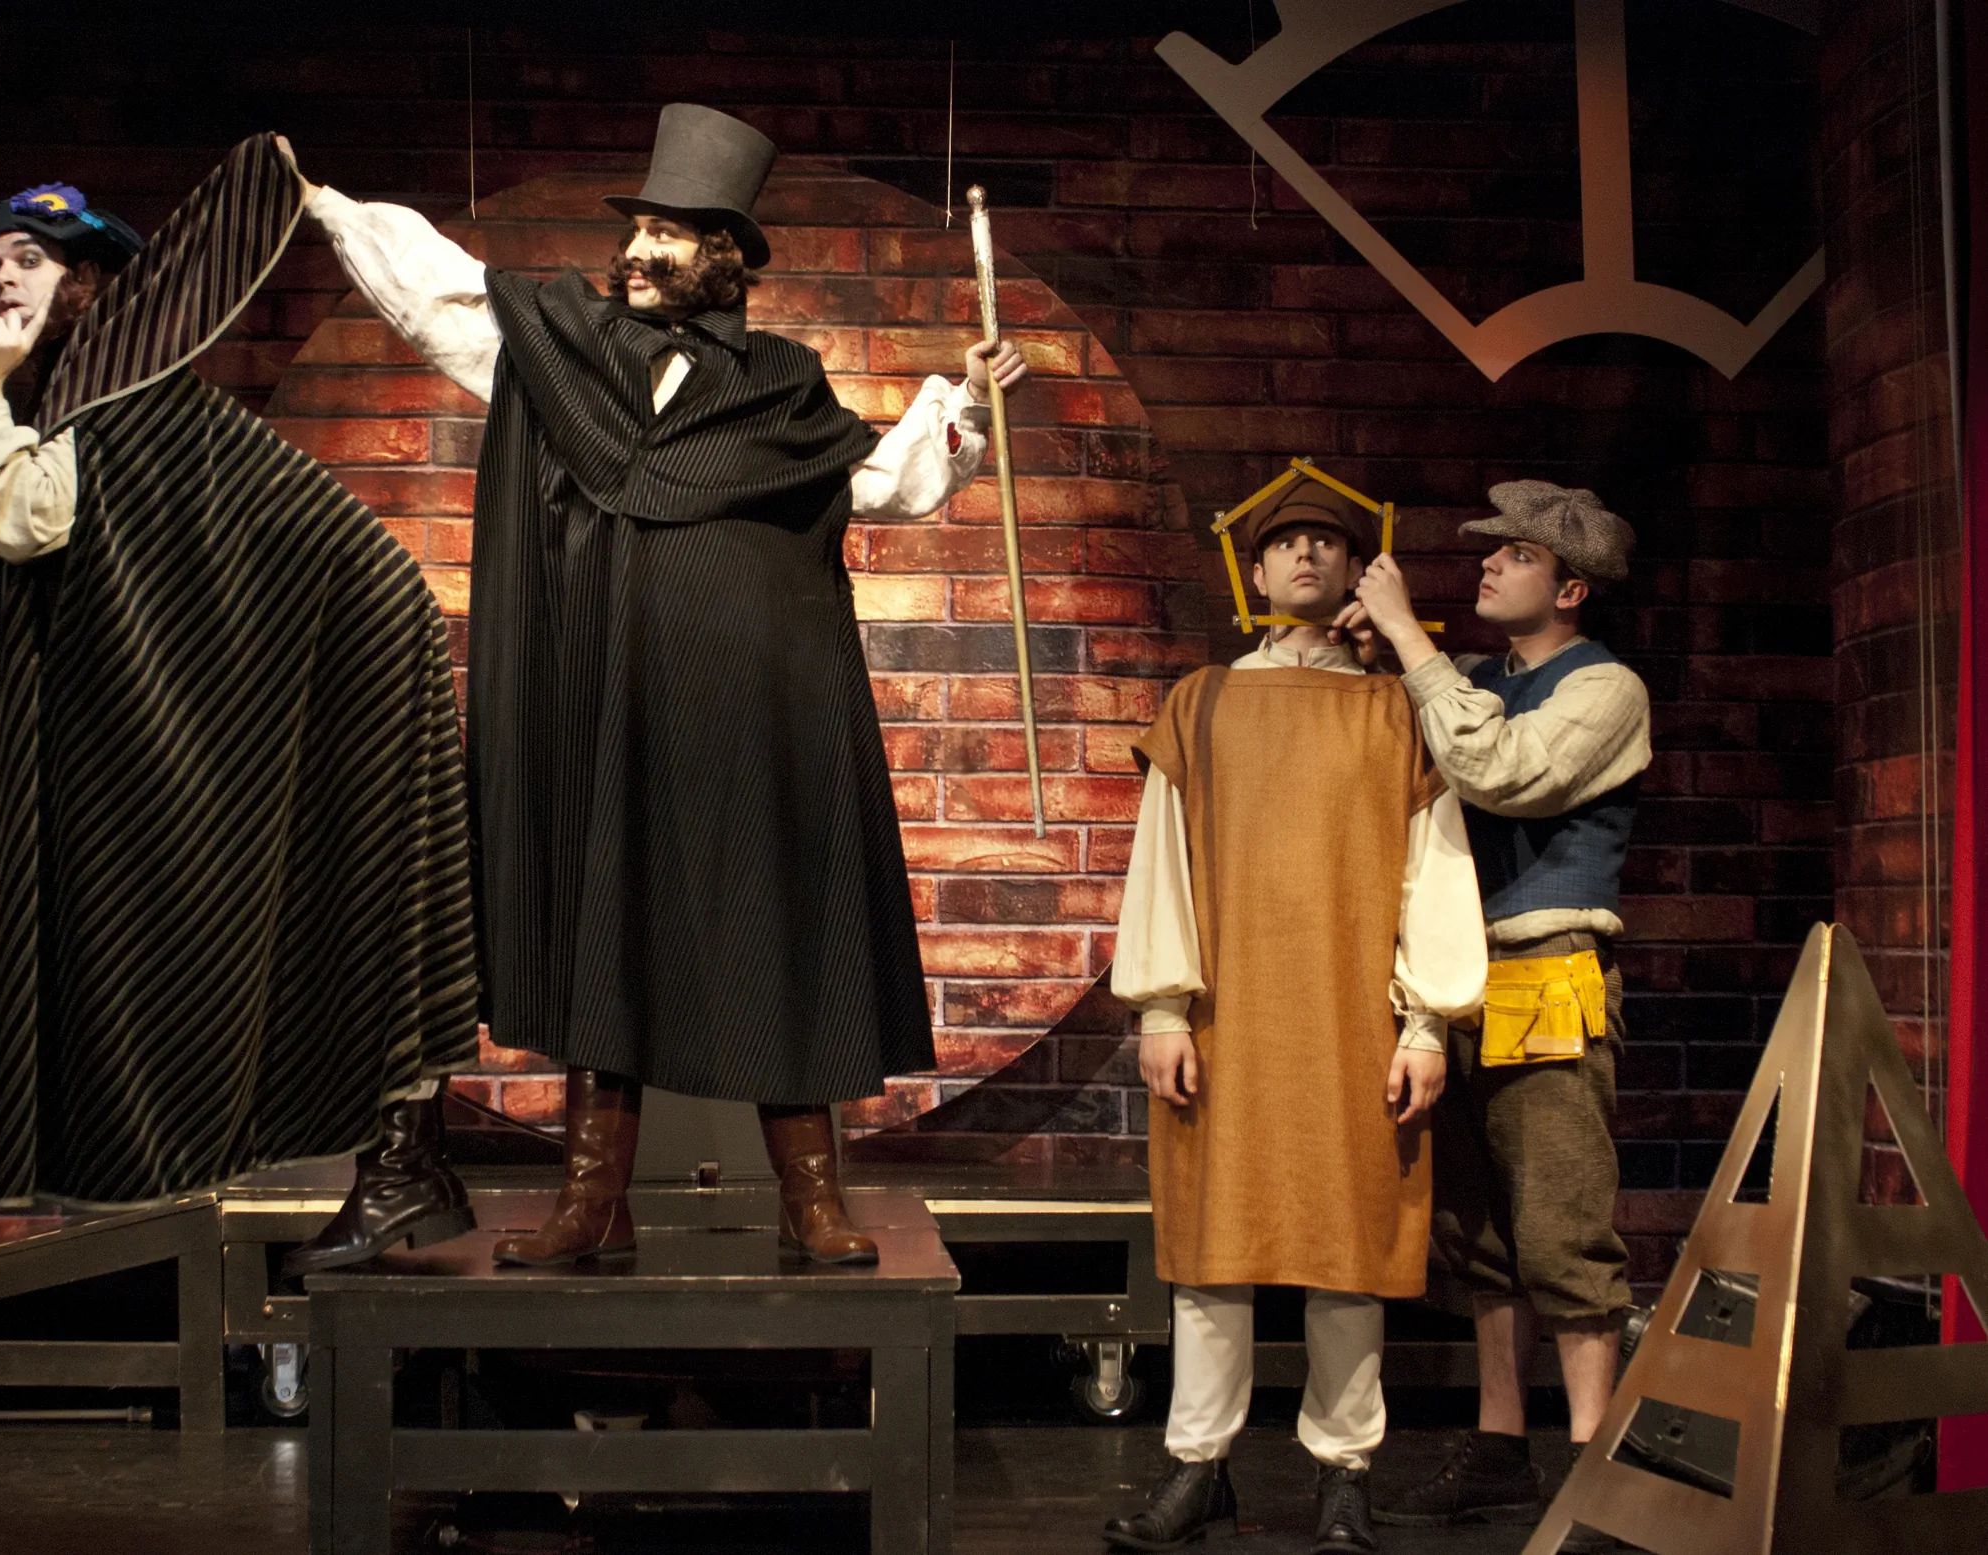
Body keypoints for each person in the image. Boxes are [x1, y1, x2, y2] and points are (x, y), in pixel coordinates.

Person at [292, 103, 1029, 1267]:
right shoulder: (566, 351)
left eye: (666, 236)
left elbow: (882, 483)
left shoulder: (781, 383)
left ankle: (810, 1199)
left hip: (752, 708)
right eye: (635, 231)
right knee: (608, 924)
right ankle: (592, 1202)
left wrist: (965, 403)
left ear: (721, 256)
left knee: (777, 920)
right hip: (608, 695)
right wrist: (323, 205)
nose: (636, 252)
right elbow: (444, 296)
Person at [0, 143, 486, 1277]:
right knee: (281, 914)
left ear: (90, 281)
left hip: (351, 663)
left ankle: (402, 1165)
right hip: (281, 679)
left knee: (344, 901)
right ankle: (400, 1168)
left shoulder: (112, 394)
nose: (4, 279)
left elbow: (23, 524)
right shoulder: (81, 404)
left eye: (30, 258)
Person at [1105, 475, 1487, 1554]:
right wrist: (1162, 1008)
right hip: (1226, 1016)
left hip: (1350, 1020)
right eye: (1287, 542)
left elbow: (1431, 870)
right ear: (1257, 569)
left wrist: (1425, 1024)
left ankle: (1343, 1470)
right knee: (1211, 1247)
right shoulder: (1203, 702)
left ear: (1357, 568)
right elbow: (1161, 862)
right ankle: (1197, 1465)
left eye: (1327, 540)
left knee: (1347, 1246)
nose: (1306, 554)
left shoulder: (1393, 712)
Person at [1338, 481, 1648, 1553]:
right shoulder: (1471, 678)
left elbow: (1500, 771)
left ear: (1569, 588)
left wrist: (1405, 641)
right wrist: (1382, 662)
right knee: (1475, 1231)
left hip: (1546, 969)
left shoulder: (1604, 687)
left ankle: (1594, 1467)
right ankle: (1500, 1446)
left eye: (1514, 555)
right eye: (1491, 551)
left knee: (1561, 1221)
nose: (1487, 564)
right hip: (1457, 976)